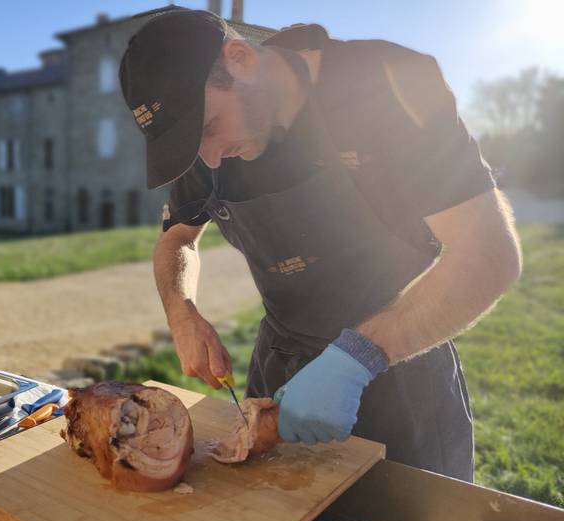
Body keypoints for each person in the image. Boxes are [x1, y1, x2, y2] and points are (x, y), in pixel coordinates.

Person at [118, 9, 522, 481]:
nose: (207, 157)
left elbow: (488, 254)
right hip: (280, 369)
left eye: (209, 130)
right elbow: (176, 240)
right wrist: (181, 311)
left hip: (401, 370)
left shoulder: (387, 84)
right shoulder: (203, 147)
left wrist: (357, 359)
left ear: (241, 58)